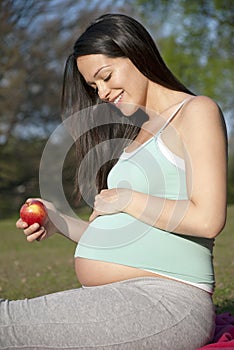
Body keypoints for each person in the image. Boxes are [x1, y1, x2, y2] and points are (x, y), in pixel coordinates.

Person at [0, 13, 227, 350]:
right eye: (94, 86)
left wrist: (126, 199)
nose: (102, 92)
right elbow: (119, 234)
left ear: (135, 53)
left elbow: (208, 220)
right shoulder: (137, 135)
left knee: (8, 326)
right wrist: (57, 219)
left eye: (105, 77)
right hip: (125, 294)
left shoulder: (196, 112)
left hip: (166, 302)